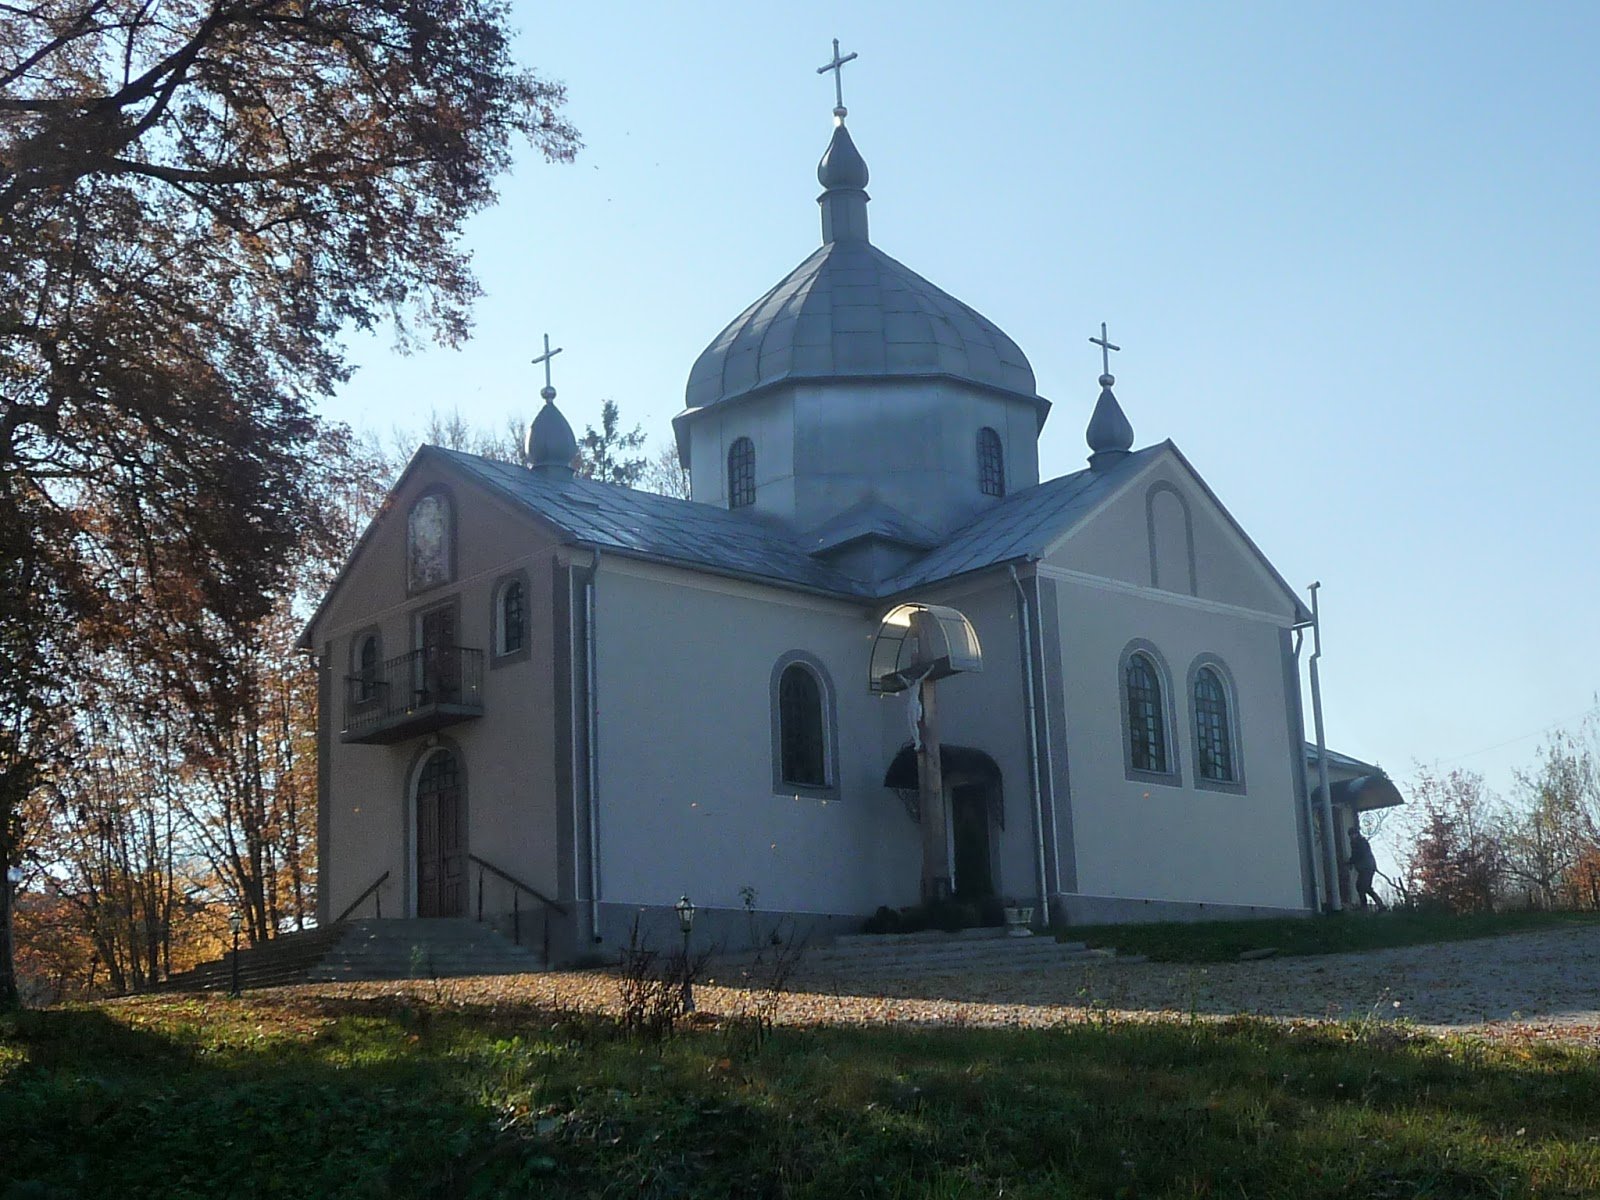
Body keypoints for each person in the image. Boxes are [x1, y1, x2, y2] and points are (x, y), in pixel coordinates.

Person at [1348, 825, 1387, 911]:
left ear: (1356, 834)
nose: (1352, 837)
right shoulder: (1358, 842)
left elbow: (1358, 855)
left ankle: (1365, 906)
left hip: (1367, 868)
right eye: (1350, 835)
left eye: (1353, 835)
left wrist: (1350, 862)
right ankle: (1378, 905)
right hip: (1366, 867)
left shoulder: (1360, 843)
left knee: (1362, 887)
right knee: (1364, 887)